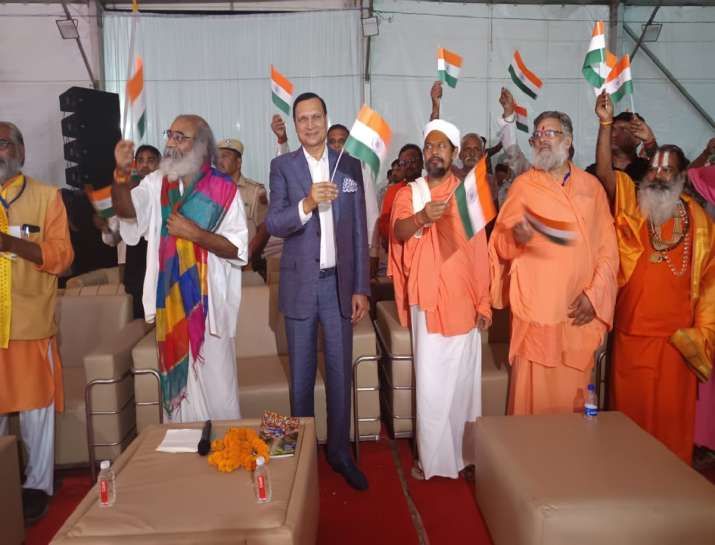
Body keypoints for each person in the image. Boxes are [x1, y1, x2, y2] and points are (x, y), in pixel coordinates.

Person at [594, 91, 715, 463]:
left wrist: (702, 332)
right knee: (630, 425)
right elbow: (604, 175)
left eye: (667, 171)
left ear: (681, 178)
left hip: (678, 341)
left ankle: (671, 489)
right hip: (633, 334)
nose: (659, 175)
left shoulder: (698, 219)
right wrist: (605, 125)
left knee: (670, 424)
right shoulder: (634, 204)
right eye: (655, 169)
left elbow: (710, 282)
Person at [112, 115, 248, 423]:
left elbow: (238, 250)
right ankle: (184, 464)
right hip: (171, 305)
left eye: (180, 137)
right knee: (178, 405)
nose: (171, 143)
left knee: (220, 395)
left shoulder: (222, 188)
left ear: (201, 145)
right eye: (170, 135)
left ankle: (225, 457)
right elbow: (127, 212)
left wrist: (195, 233)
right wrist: (121, 173)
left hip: (209, 308)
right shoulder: (157, 182)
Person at [266, 92, 370, 491]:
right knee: (302, 378)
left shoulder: (349, 168)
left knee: (341, 372)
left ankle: (340, 453)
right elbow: (275, 222)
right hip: (300, 286)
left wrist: (360, 286)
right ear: (295, 125)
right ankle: (301, 455)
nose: (309, 125)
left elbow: (359, 229)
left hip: (339, 286)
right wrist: (307, 203)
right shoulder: (283, 167)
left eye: (315, 117)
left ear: (327, 119)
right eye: (302, 119)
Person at [489, 110, 619, 416]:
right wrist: (516, 239)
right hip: (536, 313)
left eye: (551, 133)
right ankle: (526, 464)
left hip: (577, 312)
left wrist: (594, 296)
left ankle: (570, 464)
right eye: (538, 135)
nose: (542, 140)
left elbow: (608, 251)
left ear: (569, 140)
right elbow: (498, 247)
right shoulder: (523, 187)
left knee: (571, 405)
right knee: (531, 404)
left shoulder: (592, 188)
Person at [389, 119, 491, 480]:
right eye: (429, 146)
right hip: (428, 300)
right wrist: (420, 218)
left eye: (442, 146)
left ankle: (465, 457)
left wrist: (484, 301)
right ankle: (431, 461)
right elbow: (398, 232)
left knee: (464, 384)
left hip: (464, 300)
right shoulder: (410, 193)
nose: (435, 152)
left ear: (454, 153)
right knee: (431, 387)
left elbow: (480, 252)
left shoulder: (467, 195)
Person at [0, 121, 74, 522]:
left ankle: (37, 486)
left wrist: (14, 244)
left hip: (29, 322)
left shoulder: (47, 198)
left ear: (21, 152)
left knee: (34, 412)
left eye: (3, 144)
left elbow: (63, 257)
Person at [97, 144, 159, 318]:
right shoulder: (125, 194)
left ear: (160, 164)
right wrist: (105, 227)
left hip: (160, 269)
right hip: (135, 272)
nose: (145, 165)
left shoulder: (165, 191)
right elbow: (112, 239)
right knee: (139, 325)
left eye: (151, 160)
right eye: (140, 161)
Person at [216, 138, 270, 276]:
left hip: (246, 266)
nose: (219, 161)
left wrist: (249, 254)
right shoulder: (210, 191)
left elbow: (264, 228)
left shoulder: (255, 191)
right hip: (216, 265)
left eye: (225, 156)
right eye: (217, 157)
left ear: (238, 162)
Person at [377, 144, 423, 248]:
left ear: (422, 163)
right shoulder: (392, 191)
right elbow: (384, 224)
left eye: (413, 161)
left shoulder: (431, 188)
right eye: (403, 163)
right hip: (398, 248)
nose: (408, 166)